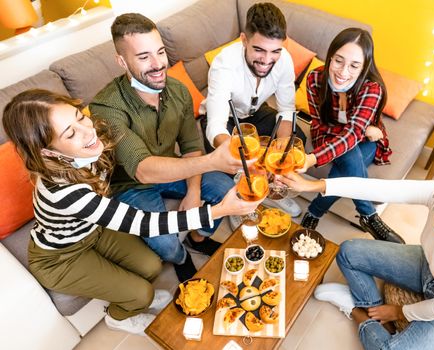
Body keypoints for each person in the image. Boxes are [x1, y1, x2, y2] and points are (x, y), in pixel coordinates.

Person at [2, 89, 261, 335]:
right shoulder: (64, 193)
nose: (88, 131)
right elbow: (145, 224)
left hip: (94, 230)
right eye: (70, 134)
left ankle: (131, 296)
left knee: (150, 266)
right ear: (48, 152)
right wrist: (221, 210)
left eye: (80, 116)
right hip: (61, 257)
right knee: (142, 294)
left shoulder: (89, 145)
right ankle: (118, 317)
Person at [279, 172, 434, 349]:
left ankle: (355, 310)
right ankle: (372, 310)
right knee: (348, 252)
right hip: (427, 267)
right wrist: (314, 184)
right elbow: (384, 188)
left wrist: (399, 311)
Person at [90, 13, 242, 281]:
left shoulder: (178, 91)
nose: (158, 64)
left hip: (172, 168)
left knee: (228, 188)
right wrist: (213, 161)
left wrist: (193, 191)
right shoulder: (106, 108)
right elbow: (144, 171)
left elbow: (191, 144)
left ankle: (197, 238)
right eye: (144, 56)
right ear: (122, 61)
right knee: (166, 244)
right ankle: (182, 257)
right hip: (129, 186)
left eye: (160, 52)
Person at [297, 27, 403, 244]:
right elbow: (319, 123)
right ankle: (368, 215)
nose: (343, 72)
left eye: (354, 65)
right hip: (327, 133)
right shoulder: (315, 78)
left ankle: (315, 211)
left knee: (349, 152)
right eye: (338, 61)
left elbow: (354, 133)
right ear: (330, 56)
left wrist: (312, 158)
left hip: (365, 139)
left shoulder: (372, 88)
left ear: (364, 67)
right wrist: (358, 132)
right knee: (349, 154)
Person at [200, 2, 306, 219]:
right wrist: (244, 161)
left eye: (275, 51)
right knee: (229, 160)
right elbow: (216, 126)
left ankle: (269, 184)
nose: (267, 60)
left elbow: (286, 109)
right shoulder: (224, 65)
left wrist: (280, 154)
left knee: (291, 141)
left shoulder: (284, 59)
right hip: (227, 121)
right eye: (258, 50)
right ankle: (240, 199)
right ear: (244, 40)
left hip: (256, 112)